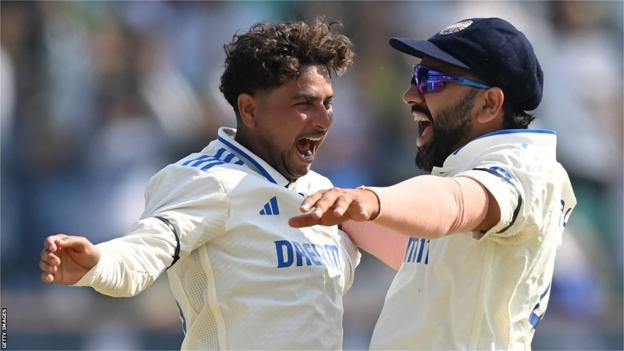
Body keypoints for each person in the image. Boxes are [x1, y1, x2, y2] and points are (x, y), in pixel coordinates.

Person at [39, 19, 360, 350]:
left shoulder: (321, 189)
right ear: (250, 110)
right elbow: (146, 249)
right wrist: (99, 263)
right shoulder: (207, 179)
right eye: (304, 104)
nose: (324, 121)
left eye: (328, 103)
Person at [290, 17, 577, 349]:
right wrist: (339, 208)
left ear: (489, 104)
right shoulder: (472, 166)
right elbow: (425, 258)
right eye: (416, 76)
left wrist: (371, 200)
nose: (410, 95)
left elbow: (454, 204)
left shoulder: (523, 165)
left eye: (433, 80)